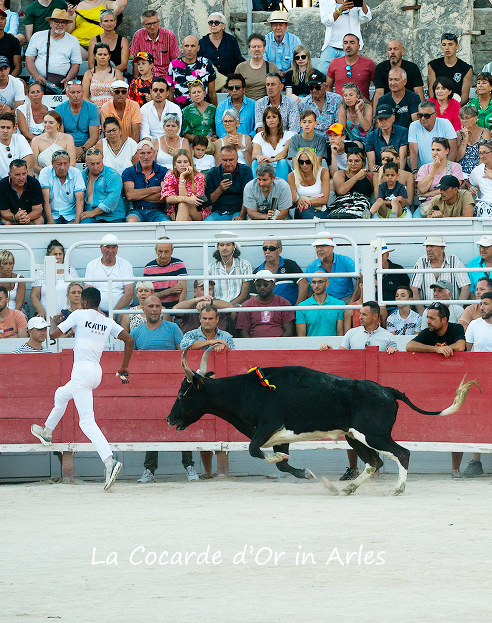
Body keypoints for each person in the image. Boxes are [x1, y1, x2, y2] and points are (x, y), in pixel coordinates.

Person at [31, 286, 134, 492]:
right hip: (96, 372)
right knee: (61, 394)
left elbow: (53, 334)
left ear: (85, 302)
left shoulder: (78, 314)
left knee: (87, 422)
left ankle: (109, 462)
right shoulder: (106, 321)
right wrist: (124, 367)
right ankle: (47, 431)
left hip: (81, 372)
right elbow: (129, 340)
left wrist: (53, 321)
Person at [324, 300, 397, 481]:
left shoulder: (388, 337)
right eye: (360, 313)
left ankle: (374, 468)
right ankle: (353, 468)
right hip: (353, 392)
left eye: (364, 314)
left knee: (374, 430)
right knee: (350, 431)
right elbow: (342, 358)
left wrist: (392, 352)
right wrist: (329, 351)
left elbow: (394, 362)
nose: (360, 317)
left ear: (375, 316)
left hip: (375, 393)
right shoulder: (351, 333)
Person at [131, 294, 198, 484]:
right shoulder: (136, 332)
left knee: (181, 421)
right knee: (152, 426)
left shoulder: (173, 328)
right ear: (143, 309)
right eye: (150, 306)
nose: (154, 309)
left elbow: (181, 355)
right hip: (148, 386)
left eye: (158, 306)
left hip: (173, 384)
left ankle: (189, 465)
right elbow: (134, 361)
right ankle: (149, 470)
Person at [180, 304, 234, 480]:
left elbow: (233, 355)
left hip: (221, 386)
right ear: (199, 319)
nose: (207, 321)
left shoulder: (226, 337)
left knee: (223, 423)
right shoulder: (192, 334)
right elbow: (185, 346)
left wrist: (223, 348)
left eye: (211, 318)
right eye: (204, 318)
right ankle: (208, 471)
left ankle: (222, 471)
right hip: (198, 390)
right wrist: (211, 343)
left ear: (217, 319)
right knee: (204, 427)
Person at [410, 236, 471, 314]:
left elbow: (465, 287)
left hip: (450, 309)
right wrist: (422, 312)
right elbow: (414, 288)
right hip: (428, 310)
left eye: (432, 246)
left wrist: (457, 309)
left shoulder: (454, 260)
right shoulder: (421, 262)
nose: (428, 249)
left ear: (442, 248)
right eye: (427, 246)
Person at [25, 9, 81, 92]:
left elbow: (76, 64)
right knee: (35, 94)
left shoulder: (73, 40)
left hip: (62, 80)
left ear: (67, 24)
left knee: (74, 92)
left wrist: (68, 79)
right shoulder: (37, 36)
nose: (60, 24)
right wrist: (36, 76)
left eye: (63, 22)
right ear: (50, 22)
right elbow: (29, 59)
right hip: (39, 80)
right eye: (57, 21)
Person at [84, 233, 134, 315]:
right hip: (96, 310)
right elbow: (88, 293)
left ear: (117, 248)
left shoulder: (125, 265)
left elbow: (129, 294)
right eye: (107, 247)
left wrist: (114, 314)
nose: (110, 250)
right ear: (101, 248)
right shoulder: (92, 265)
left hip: (121, 310)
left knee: (125, 316)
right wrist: (99, 313)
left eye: (113, 247)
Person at [122, 139, 169, 222]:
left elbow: (163, 197)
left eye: (149, 153)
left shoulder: (163, 171)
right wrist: (154, 189)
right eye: (142, 153)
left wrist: (138, 195)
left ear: (154, 152)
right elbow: (130, 195)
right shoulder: (129, 172)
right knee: (131, 221)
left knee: (165, 223)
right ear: (137, 154)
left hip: (158, 211)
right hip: (136, 211)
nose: (146, 157)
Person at [237, 270, 294, 338]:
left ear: (273, 285)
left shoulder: (283, 303)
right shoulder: (247, 305)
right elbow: (243, 332)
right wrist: (252, 346)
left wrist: (277, 345)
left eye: (266, 284)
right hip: (254, 345)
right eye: (259, 285)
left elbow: (288, 331)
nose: (262, 287)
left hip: (278, 345)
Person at [318, 0, 371, 74]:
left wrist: (361, 2)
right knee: (322, 72)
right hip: (330, 45)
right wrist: (340, 10)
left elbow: (367, 18)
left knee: (347, 75)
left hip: (350, 45)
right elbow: (326, 21)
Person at [31, 239, 79, 316]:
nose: (58, 257)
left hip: (67, 314)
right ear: (48, 255)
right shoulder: (41, 272)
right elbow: (34, 296)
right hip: (45, 314)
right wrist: (42, 312)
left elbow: (79, 293)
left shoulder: (71, 271)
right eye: (55, 254)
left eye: (60, 254)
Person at [416, 138, 463, 216]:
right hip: (428, 206)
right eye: (433, 149)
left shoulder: (455, 167)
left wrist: (427, 194)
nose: (435, 153)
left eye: (438, 150)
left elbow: (452, 189)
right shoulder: (424, 168)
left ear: (446, 151)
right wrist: (434, 169)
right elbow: (421, 189)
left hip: (449, 204)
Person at [372, 40, 424, 111]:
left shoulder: (412, 68)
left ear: (402, 52)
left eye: (395, 49)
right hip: (387, 108)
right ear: (387, 53)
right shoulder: (380, 68)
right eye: (390, 49)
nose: (392, 52)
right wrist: (375, 116)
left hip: (409, 107)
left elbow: (419, 92)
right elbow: (379, 93)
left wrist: (422, 113)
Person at [251, 239, 306, 306]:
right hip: (267, 314)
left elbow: (304, 284)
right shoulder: (257, 272)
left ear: (280, 250)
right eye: (265, 248)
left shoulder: (290, 265)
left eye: (271, 248)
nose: (267, 252)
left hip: (289, 313)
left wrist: (297, 308)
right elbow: (253, 297)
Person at [205, 145, 253, 221]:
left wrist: (241, 216)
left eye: (231, 160)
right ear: (220, 159)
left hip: (238, 211)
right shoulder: (213, 173)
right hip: (218, 212)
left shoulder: (245, 170)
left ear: (237, 159)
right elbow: (208, 201)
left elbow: (248, 196)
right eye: (225, 160)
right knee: (206, 226)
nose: (228, 163)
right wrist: (220, 189)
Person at [168, 36, 217, 108]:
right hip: (180, 111)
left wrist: (214, 114)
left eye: (193, 46)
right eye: (186, 46)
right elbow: (171, 92)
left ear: (198, 48)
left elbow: (212, 92)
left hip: (202, 111)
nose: (189, 49)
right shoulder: (173, 65)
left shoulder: (207, 64)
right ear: (182, 47)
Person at [56, 81, 100, 162]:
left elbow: (94, 137)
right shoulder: (60, 109)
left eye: (78, 92)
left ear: (83, 93)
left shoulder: (92, 108)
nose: (76, 96)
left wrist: (81, 150)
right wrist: (71, 151)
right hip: (66, 146)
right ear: (67, 94)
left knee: (94, 158)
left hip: (86, 146)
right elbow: (60, 136)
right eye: (72, 92)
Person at [161, 149, 209, 221]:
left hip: (196, 210)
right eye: (179, 162)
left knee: (183, 204)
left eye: (185, 162)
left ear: (190, 163)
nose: (182, 165)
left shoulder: (198, 177)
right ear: (175, 164)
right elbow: (168, 199)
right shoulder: (170, 175)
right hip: (175, 210)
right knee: (185, 213)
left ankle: (179, 231)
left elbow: (195, 202)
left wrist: (182, 178)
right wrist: (182, 177)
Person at [130, 9, 179, 80]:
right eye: (148, 24)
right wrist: (135, 81)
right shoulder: (138, 35)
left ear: (159, 22)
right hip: (145, 77)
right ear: (143, 25)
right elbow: (135, 61)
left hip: (164, 77)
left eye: (154, 23)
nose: (152, 27)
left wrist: (173, 80)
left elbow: (174, 60)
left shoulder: (169, 35)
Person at [408, 100, 457, 171]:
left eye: (426, 116)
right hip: (423, 171)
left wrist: (447, 171)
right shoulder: (414, 126)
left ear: (435, 115)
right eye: (420, 115)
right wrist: (415, 171)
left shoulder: (445, 123)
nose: (423, 118)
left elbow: (453, 149)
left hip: (444, 169)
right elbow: (413, 151)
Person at [80, 147, 125, 223]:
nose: (95, 167)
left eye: (98, 163)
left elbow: (112, 199)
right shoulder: (81, 175)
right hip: (91, 215)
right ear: (86, 162)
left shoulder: (112, 175)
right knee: (84, 228)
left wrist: (93, 212)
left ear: (102, 159)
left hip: (113, 216)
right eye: (92, 164)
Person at [39, 149, 85, 224]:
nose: (62, 167)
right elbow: (45, 200)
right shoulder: (45, 172)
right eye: (59, 164)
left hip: (71, 215)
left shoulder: (76, 173)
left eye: (65, 163)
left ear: (69, 163)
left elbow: (80, 200)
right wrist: (51, 222)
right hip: (52, 215)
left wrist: (76, 222)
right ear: (52, 164)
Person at [326, 33, 375, 101]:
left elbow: (379, 88)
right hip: (340, 108)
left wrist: (371, 105)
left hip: (361, 107)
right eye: (345, 43)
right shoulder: (334, 63)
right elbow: (328, 87)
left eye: (352, 43)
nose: (348, 45)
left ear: (359, 46)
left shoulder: (369, 64)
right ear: (342, 46)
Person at [305, 237, 356, 303]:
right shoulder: (311, 267)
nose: (320, 249)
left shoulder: (345, 261)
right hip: (322, 303)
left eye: (323, 246)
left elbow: (360, 278)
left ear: (332, 247)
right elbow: (310, 291)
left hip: (344, 301)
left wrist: (351, 302)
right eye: (317, 246)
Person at [143, 237, 187, 310]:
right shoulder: (149, 268)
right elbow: (147, 296)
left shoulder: (178, 264)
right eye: (160, 251)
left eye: (166, 252)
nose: (163, 255)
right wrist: (169, 291)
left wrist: (178, 312)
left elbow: (183, 290)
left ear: (172, 251)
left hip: (174, 308)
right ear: (156, 251)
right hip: (155, 310)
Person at [330, 145, 374, 219]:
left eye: (357, 161)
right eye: (350, 161)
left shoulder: (370, 176)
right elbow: (341, 191)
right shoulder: (340, 174)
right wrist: (357, 176)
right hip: (342, 205)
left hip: (361, 206)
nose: (353, 164)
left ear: (363, 162)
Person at [427, 33, 472, 104]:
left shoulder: (466, 68)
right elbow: (432, 92)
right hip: (438, 107)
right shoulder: (433, 65)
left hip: (457, 107)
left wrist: (453, 110)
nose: (447, 48)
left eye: (450, 44)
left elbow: (465, 97)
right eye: (444, 45)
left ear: (457, 46)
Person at [208, 234, 252, 306]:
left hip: (238, 306)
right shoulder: (210, 268)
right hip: (217, 307)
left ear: (234, 246)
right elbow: (209, 294)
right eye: (222, 245)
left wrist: (229, 307)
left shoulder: (244, 265)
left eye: (228, 245)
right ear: (217, 247)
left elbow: (244, 295)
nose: (224, 248)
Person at [288, 146, 330, 219]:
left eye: (308, 162)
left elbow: (324, 199)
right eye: (301, 162)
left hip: (320, 209)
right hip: (302, 210)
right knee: (304, 210)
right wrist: (299, 201)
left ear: (313, 161)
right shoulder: (292, 176)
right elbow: (293, 200)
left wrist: (308, 202)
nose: (304, 165)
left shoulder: (323, 172)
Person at [252, 106, 294, 181]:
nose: (271, 120)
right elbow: (255, 154)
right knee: (255, 162)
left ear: (279, 119)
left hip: (283, 168)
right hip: (266, 169)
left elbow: (285, 153)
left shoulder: (288, 135)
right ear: (265, 121)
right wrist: (259, 157)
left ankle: (281, 187)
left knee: (282, 162)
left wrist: (272, 159)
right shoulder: (258, 136)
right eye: (268, 117)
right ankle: (258, 188)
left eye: (274, 117)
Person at [198, 12, 244, 78]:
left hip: (229, 80)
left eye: (216, 23)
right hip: (209, 80)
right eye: (211, 23)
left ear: (223, 25)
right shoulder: (202, 42)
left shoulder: (231, 40)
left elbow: (238, 60)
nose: (213, 25)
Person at [235, 33, 279, 101]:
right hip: (246, 105)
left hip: (266, 106)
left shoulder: (272, 67)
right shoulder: (241, 68)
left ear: (264, 48)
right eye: (253, 47)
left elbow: (278, 89)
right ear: (249, 49)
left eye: (259, 46)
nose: (256, 49)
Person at [365, 103, 408, 171]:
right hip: (380, 171)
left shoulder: (402, 131)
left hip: (400, 170)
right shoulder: (371, 136)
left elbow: (403, 156)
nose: (383, 122)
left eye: (386, 118)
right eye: (380, 119)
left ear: (393, 118)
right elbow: (371, 163)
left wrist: (398, 174)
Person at [31, 110, 76, 175]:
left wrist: (60, 173)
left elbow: (72, 164)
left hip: (64, 176)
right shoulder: (36, 140)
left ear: (58, 124)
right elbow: (35, 167)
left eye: (51, 123)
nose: (47, 125)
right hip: (44, 177)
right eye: (45, 122)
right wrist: (51, 174)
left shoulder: (68, 138)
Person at [82, 42, 123, 111]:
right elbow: (84, 97)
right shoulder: (88, 74)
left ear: (109, 56)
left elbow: (122, 95)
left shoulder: (117, 73)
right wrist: (95, 110)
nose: (102, 57)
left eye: (105, 54)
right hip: (93, 111)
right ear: (94, 56)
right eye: (99, 54)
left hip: (113, 110)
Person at [0, 159, 43, 224]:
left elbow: (37, 210)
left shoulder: (34, 183)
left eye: (24, 174)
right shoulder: (2, 185)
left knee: (39, 221)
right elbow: (4, 212)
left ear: (27, 172)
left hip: (29, 216)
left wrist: (26, 217)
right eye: (17, 175)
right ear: (10, 175)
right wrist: (15, 217)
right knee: (7, 223)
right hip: (12, 217)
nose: (21, 177)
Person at [373, 146, 414, 211]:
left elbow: (409, 201)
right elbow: (377, 198)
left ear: (398, 159)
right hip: (383, 209)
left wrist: (394, 202)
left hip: (401, 208)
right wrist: (380, 177)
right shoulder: (376, 176)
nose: (386, 161)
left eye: (389, 159)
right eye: (383, 159)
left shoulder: (408, 175)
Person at [88, 9, 129, 73]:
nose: (109, 23)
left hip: (117, 75)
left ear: (115, 22)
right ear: (101, 24)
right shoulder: (94, 40)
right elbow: (91, 64)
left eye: (111, 20)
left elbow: (123, 65)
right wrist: (102, 74)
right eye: (106, 21)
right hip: (98, 74)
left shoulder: (123, 41)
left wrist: (109, 73)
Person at [215, 75, 254, 141]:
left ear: (244, 89)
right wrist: (230, 140)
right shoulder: (221, 106)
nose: (234, 90)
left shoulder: (254, 105)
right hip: (227, 144)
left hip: (248, 143)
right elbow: (220, 129)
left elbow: (257, 127)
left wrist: (246, 139)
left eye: (237, 87)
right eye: (231, 88)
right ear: (227, 90)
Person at [456, 105, 490, 179]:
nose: (464, 121)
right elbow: (458, 158)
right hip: (461, 172)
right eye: (462, 118)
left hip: (480, 170)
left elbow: (485, 156)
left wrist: (475, 174)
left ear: (476, 118)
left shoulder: (485, 132)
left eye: (467, 118)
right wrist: (465, 139)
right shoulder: (459, 134)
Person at [263, 11, 300, 77]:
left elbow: (296, 65)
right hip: (269, 77)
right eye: (275, 25)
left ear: (286, 26)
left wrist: (283, 74)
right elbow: (263, 64)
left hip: (290, 77)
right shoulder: (265, 40)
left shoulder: (295, 41)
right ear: (271, 26)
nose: (278, 28)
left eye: (281, 25)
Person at [181, 80, 217, 146]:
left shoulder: (213, 109)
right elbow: (184, 134)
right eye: (194, 93)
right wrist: (201, 139)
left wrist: (214, 138)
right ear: (190, 95)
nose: (196, 95)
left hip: (211, 144)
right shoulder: (185, 111)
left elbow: (219, 128)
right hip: (194, 145)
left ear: (204, 93)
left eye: (199, 92)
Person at [337, 82, 372, 146]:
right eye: (345, 95)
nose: (348, 98)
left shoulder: (367, 107)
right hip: (350, 142)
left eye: (351, 95)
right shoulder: (343, 107)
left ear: (357, 96)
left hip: (368, 142)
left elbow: (366, 128)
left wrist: (358, 110)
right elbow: (340, 128)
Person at [0, 112, 33, 179]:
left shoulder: (20, 139)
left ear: (14, 129)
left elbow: (27, 167)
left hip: (21, 181)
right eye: (2, 127)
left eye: (8, 128)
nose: (5, 131)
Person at [467, 139, 492, 217]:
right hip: (486, 204)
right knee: (480, 206)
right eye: (480, 153)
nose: (481, 156)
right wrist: (470, 187)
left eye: (485, 153)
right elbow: (468, 182)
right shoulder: (477, 170)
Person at [0, 9, 21, 76]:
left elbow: (18, 67)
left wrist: (8, 82)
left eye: (2, 19)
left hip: (9, 78)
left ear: (5, 21)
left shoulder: (13, 41)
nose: (0, 21)